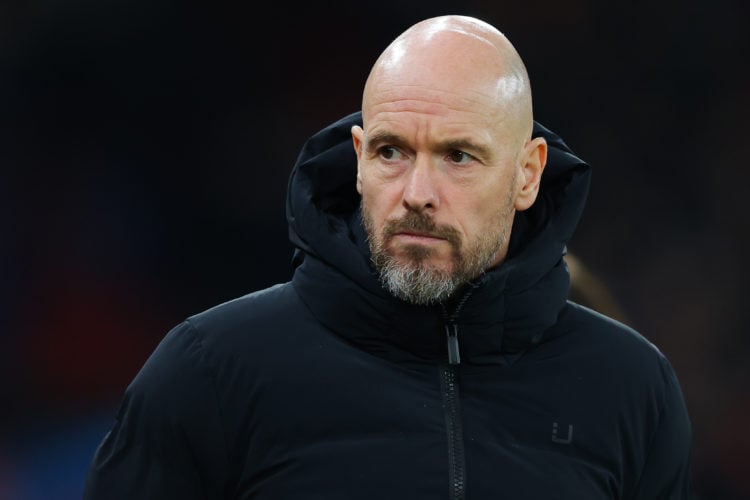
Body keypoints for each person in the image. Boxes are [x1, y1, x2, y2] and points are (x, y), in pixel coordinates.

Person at [83, 14, 693, 499]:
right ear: (357, 158)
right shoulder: (209, 372)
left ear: (528, 174)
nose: (417, 195)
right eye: (391, 151)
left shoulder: (631, 389)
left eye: (459, 156)